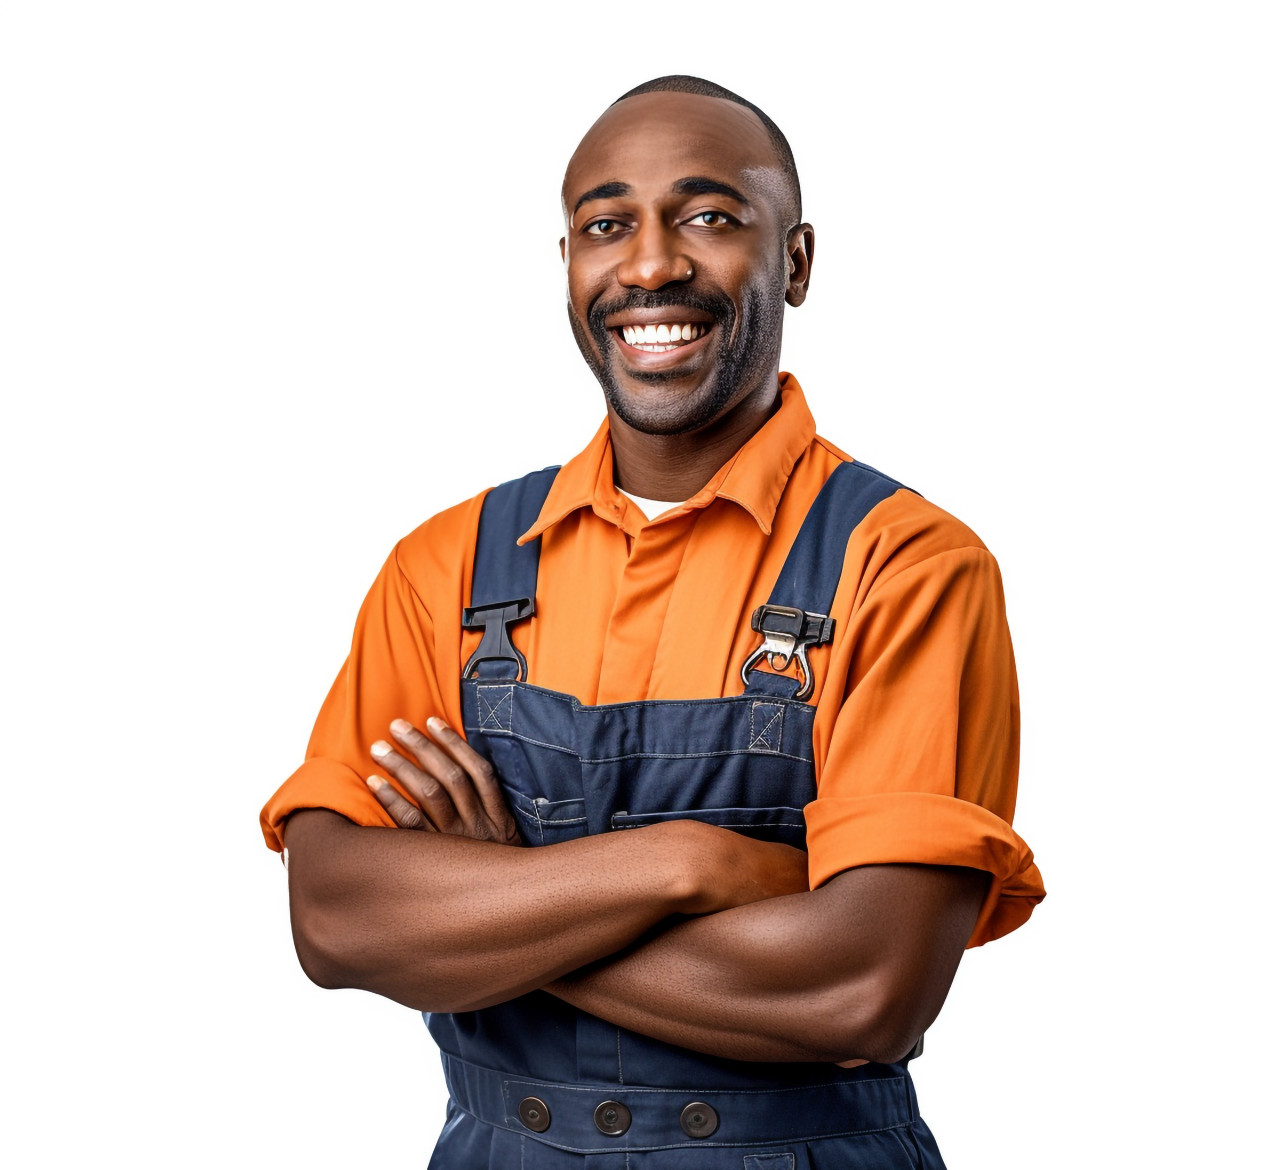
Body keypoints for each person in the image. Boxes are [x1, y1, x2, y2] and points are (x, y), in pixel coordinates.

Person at [261, 75, 1045, 1169]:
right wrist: (685, 864)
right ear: (570, 265)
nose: (648, 265)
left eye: (710, 217)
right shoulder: (442, 566)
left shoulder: (905, 567)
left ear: (795, 261)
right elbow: (336, 921)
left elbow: (865, 988)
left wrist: (495, 899)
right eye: (605, 225)